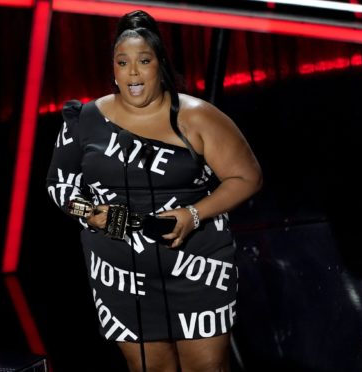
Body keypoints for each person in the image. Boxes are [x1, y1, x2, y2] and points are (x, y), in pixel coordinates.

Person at [46, 9, 262, 372]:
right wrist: (90, 214)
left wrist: (193, 215)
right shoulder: (84, 120)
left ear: (159, 64)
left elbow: (247, 177)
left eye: (143, 61)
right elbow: (59, 184)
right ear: (113, 70)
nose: (132, 72)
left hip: (197, 265)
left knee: (207, 367)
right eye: (122, 62)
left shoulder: (197, 116)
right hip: (119, 271)